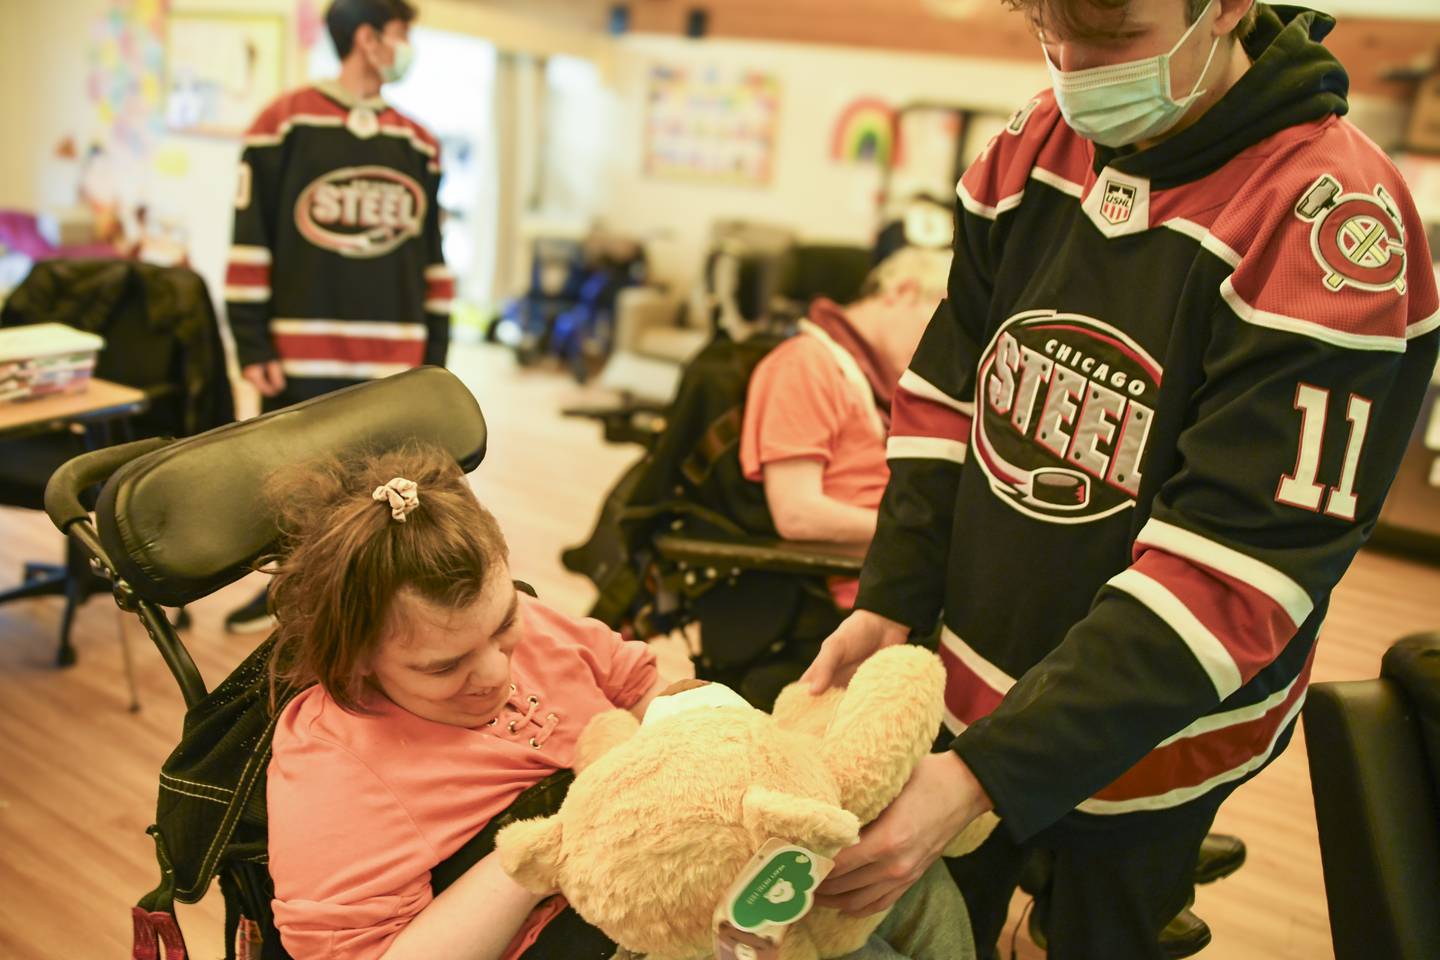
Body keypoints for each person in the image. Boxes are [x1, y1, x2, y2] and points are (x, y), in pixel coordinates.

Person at [801, 3, 1439, 960]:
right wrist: (893, 595)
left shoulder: (1330, 227)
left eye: (1110, 41)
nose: (1071, 70)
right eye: (1048, 34)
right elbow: (946, 393)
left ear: (1224, 8)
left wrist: (986, 776)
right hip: (963, 689)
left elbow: (1231, 578)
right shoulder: (1034, 146)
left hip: (1156, 736)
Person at [263, 443, 975, 960]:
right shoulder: (334, 763)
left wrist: (707, 735)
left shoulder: (529, 627)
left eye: (505, 624)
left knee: (900, 874)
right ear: (357, 663)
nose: (497, 672)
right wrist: (548, 851)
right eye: (445, 667)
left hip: (688, 859)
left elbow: (641, 686)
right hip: (578, 929)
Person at [223, 0, 453, 633]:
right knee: (292, 484)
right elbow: (251, 239)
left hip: (394, 353)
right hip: (298, 348)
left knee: (385, 488)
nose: (408, 47)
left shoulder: (418, 141)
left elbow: (433, 255)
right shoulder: (283, 123)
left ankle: (371, 601)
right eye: (403, 33)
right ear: (367, 37)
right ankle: (285, 593)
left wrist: (438, 351)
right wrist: (251, 342)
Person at [740, 246, 952, 609]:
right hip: (861, 602)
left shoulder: (876, 386)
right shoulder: (807, 363)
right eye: (941, 324)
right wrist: (928, 537)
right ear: (903, 292)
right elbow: (797, 513)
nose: (945, 348)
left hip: (902, 583)